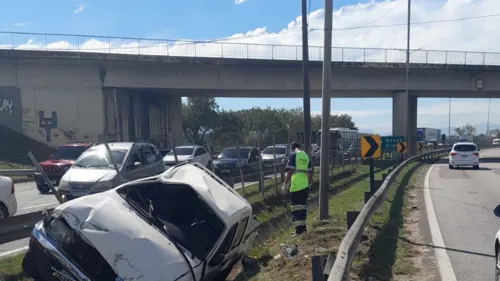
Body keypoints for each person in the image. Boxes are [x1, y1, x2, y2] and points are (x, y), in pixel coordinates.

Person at [283, 142, 313, 237]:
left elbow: (290, 170)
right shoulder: (306, 156)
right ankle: (303, 228)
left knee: (296, 209)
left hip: (296, 186)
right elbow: (310, 171)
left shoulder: (293, 155)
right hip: (304, 185)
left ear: (292, 148)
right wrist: (308, 183)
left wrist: (285, 184)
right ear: (300, 147)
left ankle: (298, 230)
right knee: (302, 208)